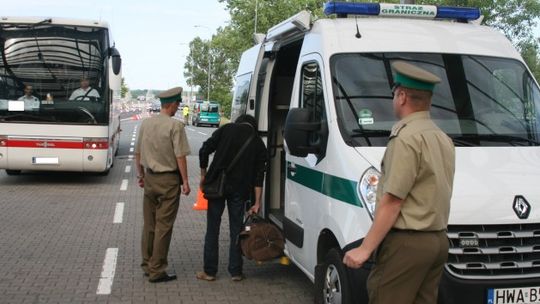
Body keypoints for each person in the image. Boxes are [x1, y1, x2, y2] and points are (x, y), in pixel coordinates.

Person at [343, 61, 456, 304]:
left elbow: (393, 201)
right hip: (437, 241)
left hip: (407, 245)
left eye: (395, 94)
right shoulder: (442, 137)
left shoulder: (405, 139)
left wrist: (365, 248)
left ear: (402, 96)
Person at [197, 114, 267, 282]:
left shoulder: (226, 129)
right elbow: (259, 177)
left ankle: (209, 272)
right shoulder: (258, 143)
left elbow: (204, 150)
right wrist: (257, 203)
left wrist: (203, 175)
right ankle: (235, 271)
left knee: (212, 229)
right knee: (236, 230)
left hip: (217, 188)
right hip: (240, 190)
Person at [135, 86, 191, 283]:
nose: (178, 107)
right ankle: (157, 270)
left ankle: (147, 264)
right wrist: (185, 181)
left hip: (150, 179)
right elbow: (180, 156)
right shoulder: (175, 126)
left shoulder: (146, 124)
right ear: (172, 104)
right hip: (168, 180)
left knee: (149, 225)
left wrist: (140, 174)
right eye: (177, 104)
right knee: (163, 226)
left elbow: (138, 153)